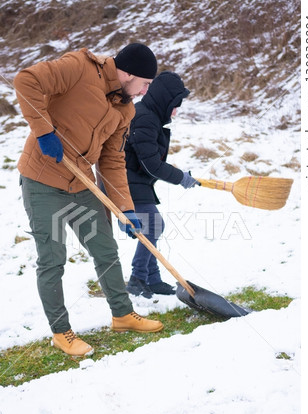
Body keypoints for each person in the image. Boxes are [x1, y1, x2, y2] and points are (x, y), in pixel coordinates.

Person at [13, 43, 164, 357]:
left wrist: (126, 208)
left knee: (105, 249)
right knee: (52, 258)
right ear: (130, 73)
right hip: (42, 179)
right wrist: (43, 131)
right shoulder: (79, 68)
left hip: (82, 184)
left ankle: (122, 315)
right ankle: (61, 331)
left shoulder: (126, 109)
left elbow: (112, 160)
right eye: (145, 84)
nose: (145, 92)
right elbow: (26, 81)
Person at [123, 71, 199, 298]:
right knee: (153, 225)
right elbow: (151, 165)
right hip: (125, 181)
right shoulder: (145, 117)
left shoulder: (150, 115)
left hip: (136, 180)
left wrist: (179, 175)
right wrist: (180, 178)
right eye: (175, 104)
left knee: (152, 226)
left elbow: (148, 160)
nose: (176, 110)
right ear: (165, 100)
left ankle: (152, 279)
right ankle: (138, 278)